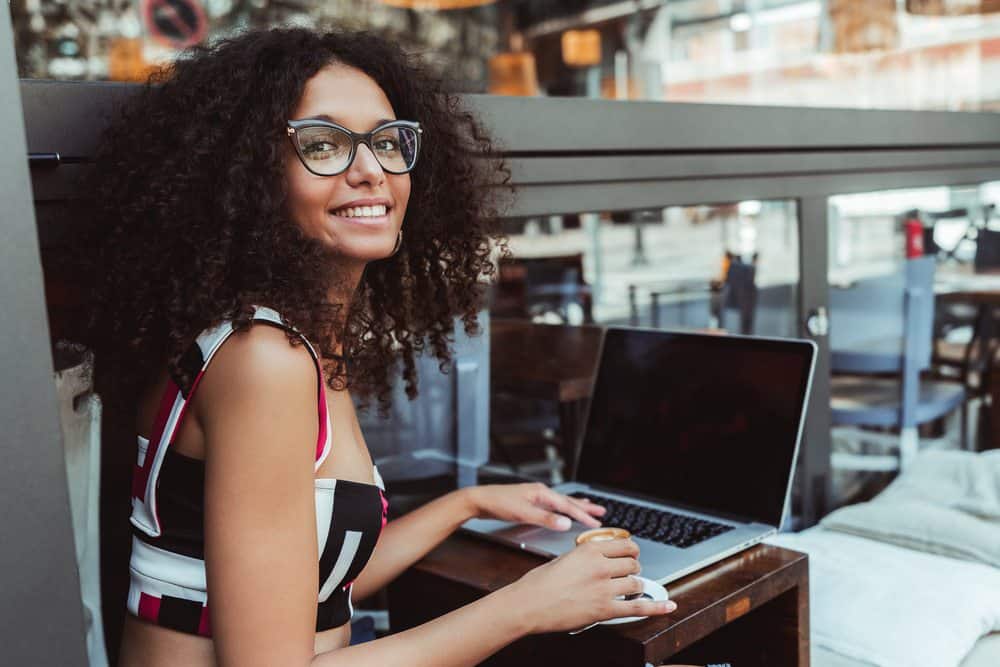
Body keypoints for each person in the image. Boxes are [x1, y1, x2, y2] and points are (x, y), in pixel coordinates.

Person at [84, 27, 676, 667]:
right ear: (252, 174)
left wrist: (463, 505)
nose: (370, 169)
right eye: (322, 144)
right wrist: (529, 605)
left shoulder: (293, 340)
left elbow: (312, 586)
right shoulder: (264, 360)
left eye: (387, 141)